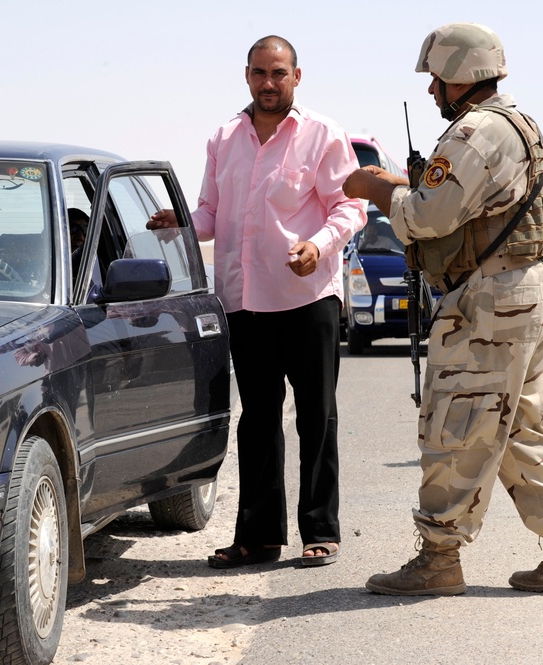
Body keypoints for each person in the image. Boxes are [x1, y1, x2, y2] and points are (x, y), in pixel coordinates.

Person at [342, 22, 543, 594]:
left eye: (437, 79)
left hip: (494, 298)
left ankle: (438, 558)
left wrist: (378, 188)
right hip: (534, 290)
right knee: (523, 424)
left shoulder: (476, 132)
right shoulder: (522, 126)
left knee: (456, 423)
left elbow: (428, 216)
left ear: (461, 75)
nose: (432, 91)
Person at [148, 35, 364, 568]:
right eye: (259, 74)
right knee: (258, 420)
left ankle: (321, 529)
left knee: (317, 416)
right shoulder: (224, 137)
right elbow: (210, 214)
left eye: (279, 73)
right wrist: (179, 223)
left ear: (297, 75)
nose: (269, 84)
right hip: (244, 300)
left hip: (307, 296)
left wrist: (319, 245)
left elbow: (351, 207)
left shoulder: (322, 134)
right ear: (246, 76)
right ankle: (260, 537)